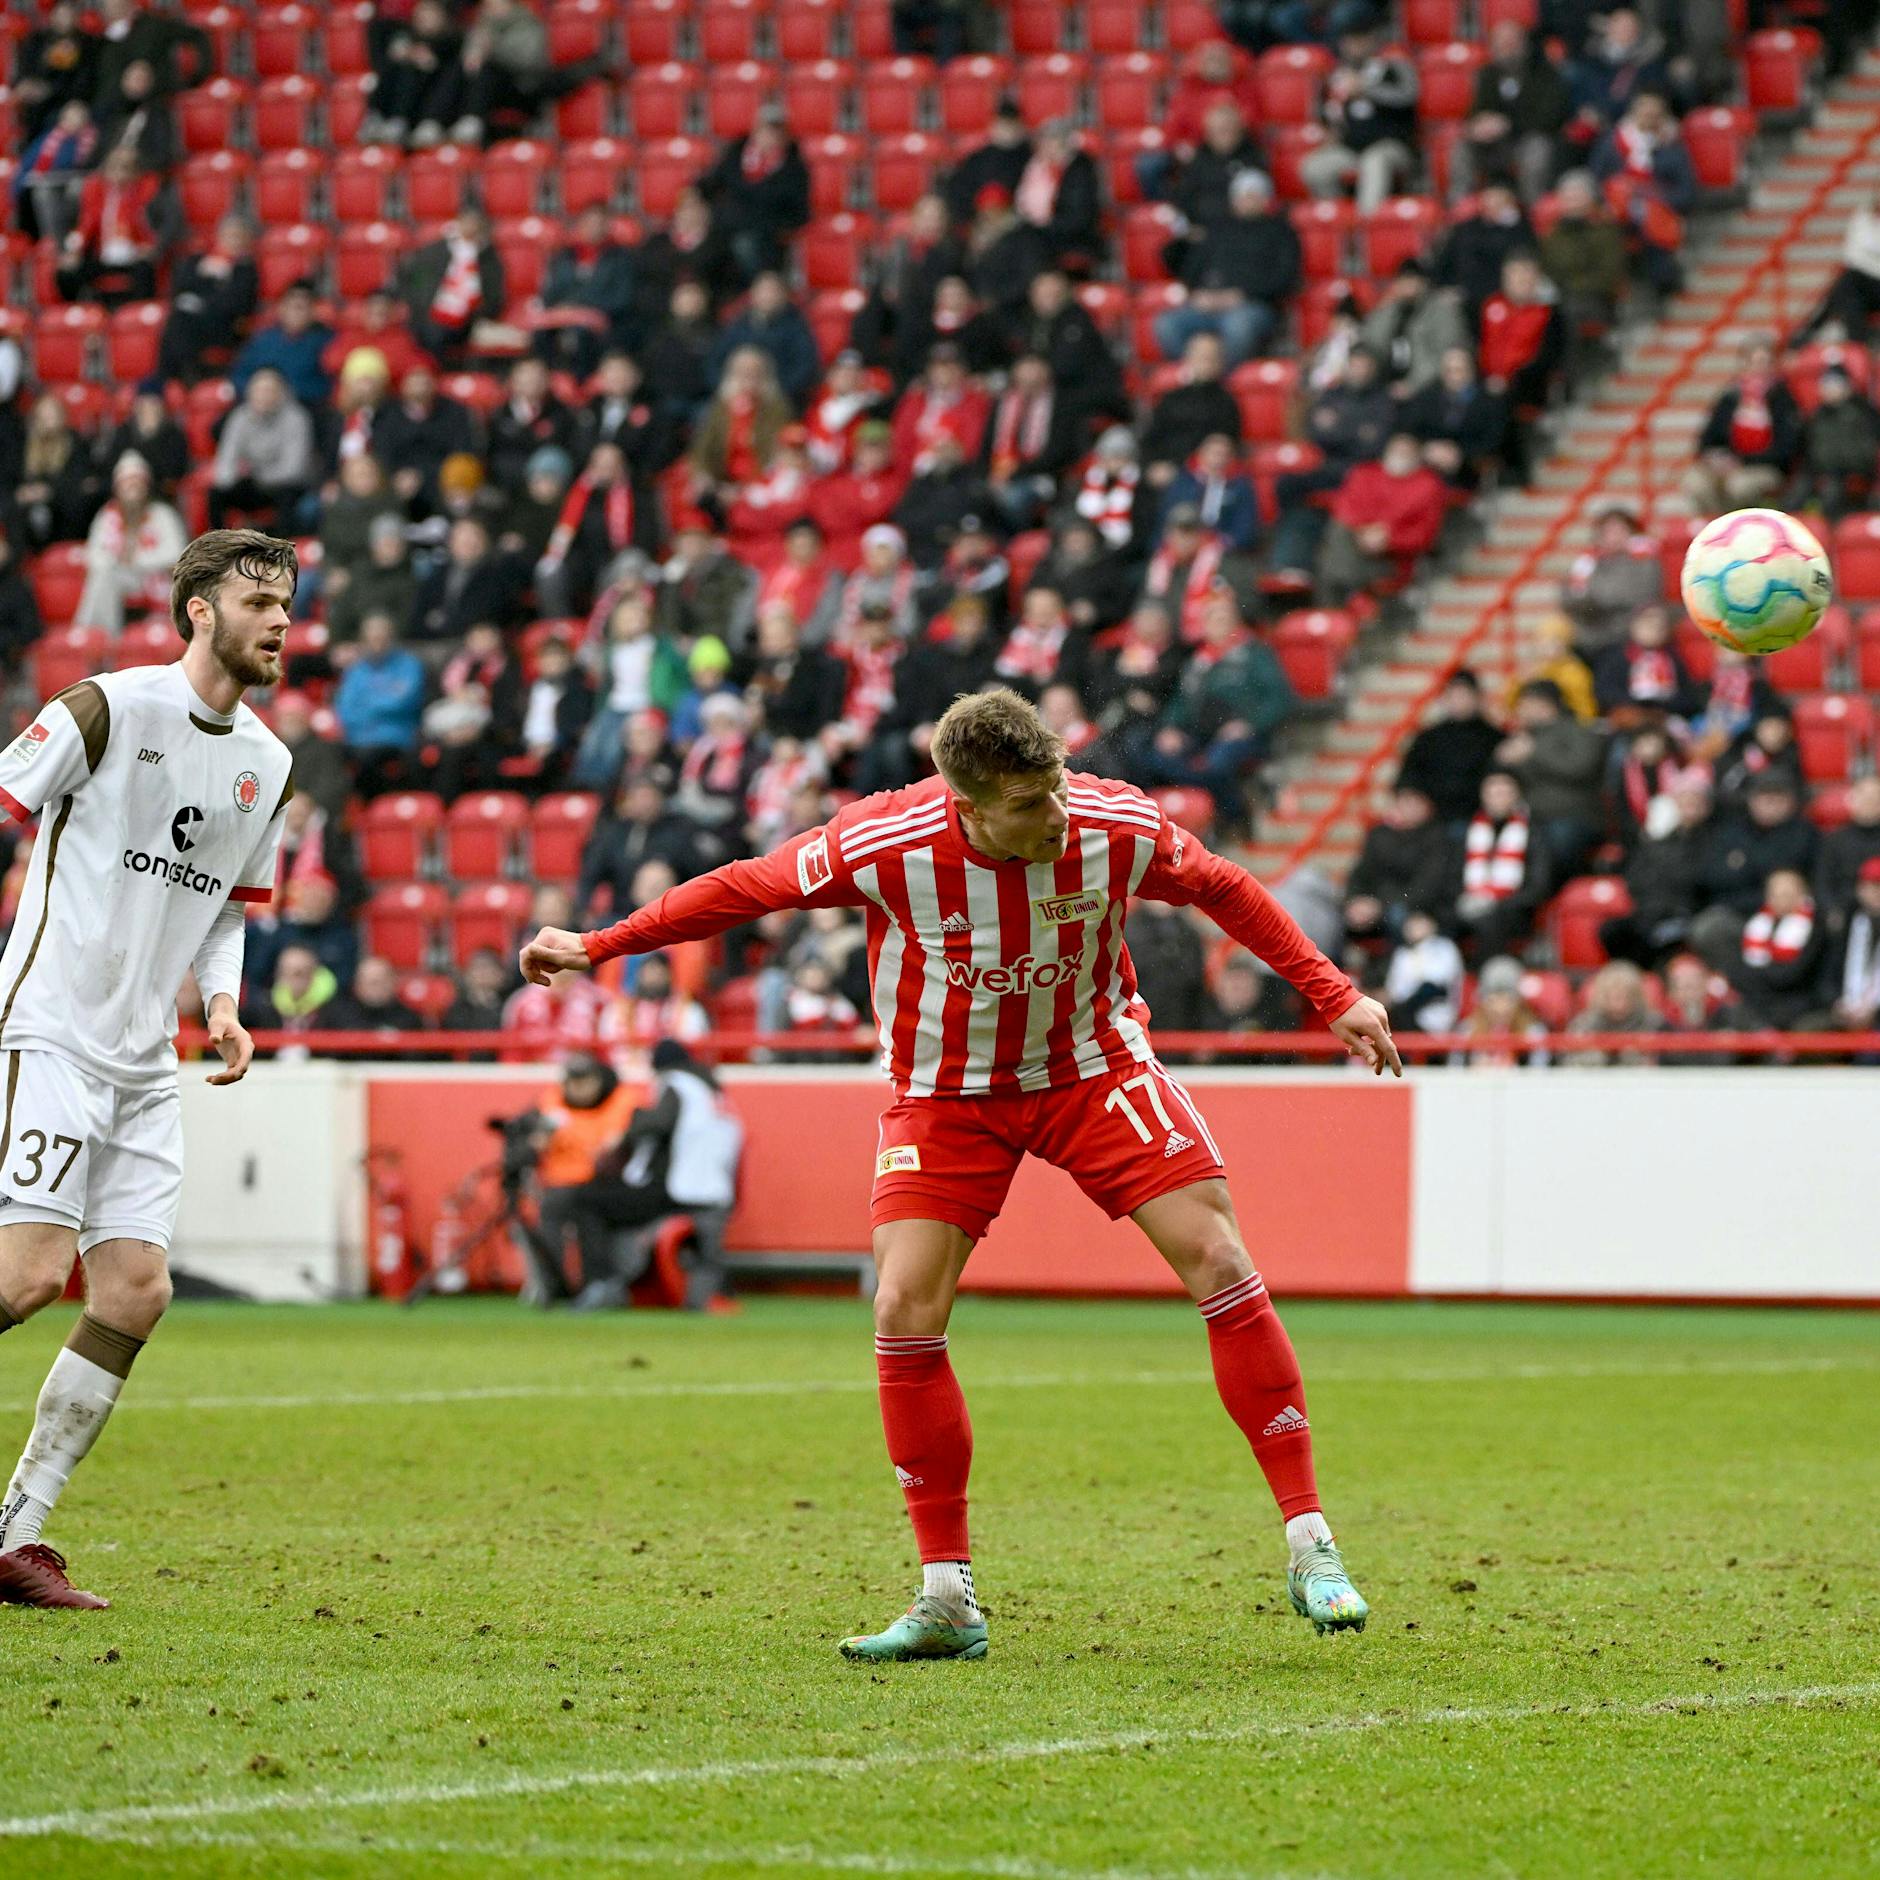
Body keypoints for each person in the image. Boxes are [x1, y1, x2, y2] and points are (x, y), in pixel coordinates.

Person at [519, 686, 1398, 1660]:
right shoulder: (882, 841)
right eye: (1027, 803)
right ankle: (946, 1596)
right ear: (966, 806)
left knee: (1220, 1256)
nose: (1055, 814)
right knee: (902, 1306)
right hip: (946, 1094)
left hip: (1092, 1067)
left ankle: (1310, 1544)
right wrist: (597, 945)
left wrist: (1335, 995)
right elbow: (746, 887)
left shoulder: (1110, 822)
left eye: (1055, 786)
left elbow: (1223, 887)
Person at [0, 530, 298, 1609]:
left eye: (287, 603)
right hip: (50, 1030)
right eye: (257, 601)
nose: (279, 621)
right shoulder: (107, 707)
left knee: (135, 1289)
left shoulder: (270, 761)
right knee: (27, 1279)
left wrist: (221, 1004)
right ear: (198, 609)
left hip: (142, 1061)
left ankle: (16, 1534)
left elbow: (226, 909)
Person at [537, 1040, 743, 1311]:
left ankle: (601, 1282)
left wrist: (628, 1132)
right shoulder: (711, 1092)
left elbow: (660, 1122)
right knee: (605, 1197)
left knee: (587, 1200)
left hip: (680, 1189)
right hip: (714, 1189)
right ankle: (615, 1278)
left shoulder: (677, 1083)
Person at [1155, 170, 1300, 368]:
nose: (1247, 200)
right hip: (1208, 304)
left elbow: (1285, 278)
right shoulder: (1217, 229)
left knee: (1239, 326)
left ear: (1266, 199)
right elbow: (1191, 268)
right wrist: (1197, 294)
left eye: (1253, 195)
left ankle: (1221, 379)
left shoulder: (1281, 232)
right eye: (1242, 195)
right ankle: (1195, 375)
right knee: (1167, 324)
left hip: (1252, 304)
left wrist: (1241, 295)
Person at [1300, 20, 1419, 215]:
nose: (1354, 47)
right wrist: (1329, 128)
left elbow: (1408, 97)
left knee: (1374, 161)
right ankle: (1339, 219)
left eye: (1359, 41)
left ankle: (1366, 223)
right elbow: (1324, 110)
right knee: (1314, 167)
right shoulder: (1338, 75)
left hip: (1391, 146)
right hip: (1352, 149)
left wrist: (1367, 89)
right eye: (1349, 42)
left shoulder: (1393, 67)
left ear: (1372, 40)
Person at [74, 453, 188, 636]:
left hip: (155, 580)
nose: (132, 489)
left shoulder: (163, 514)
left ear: (146, 487)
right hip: (119, 579)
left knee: (105, 577)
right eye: (127, 484)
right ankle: (101, 639)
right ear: (117, 489)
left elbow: (178, 555)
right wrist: (115, 560)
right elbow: (93, 555)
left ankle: (88, 634)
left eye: (137, 483)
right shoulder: (106, 516)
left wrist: (138, 560)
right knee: (103, 576)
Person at [1684, 339, 1800, 517]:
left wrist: (1742, 462)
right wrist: (1716, 458)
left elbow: (1785, 450)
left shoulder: (1782, 400)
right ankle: (1718, 524)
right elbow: (1707, 439)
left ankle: (1737, 523)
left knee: (1738, 486)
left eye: (1763, 362)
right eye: (1752, 362)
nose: (1757, 368)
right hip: (1727, 465)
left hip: (1764, 467)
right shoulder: (1730, 398)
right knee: (1695, 483)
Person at [208, 369, 316, 534]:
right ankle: (218, 543)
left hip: (284, 483)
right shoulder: (240, 416)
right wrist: (227, 481)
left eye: (269, 391)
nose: (263, 396)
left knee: (287, 495)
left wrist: (258, 476)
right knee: (216, 493)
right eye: (258, 391)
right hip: (253, 479)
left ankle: (282, 543)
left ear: (281, 394)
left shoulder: (296, 418)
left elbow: (293, 468)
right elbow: (227, 457)